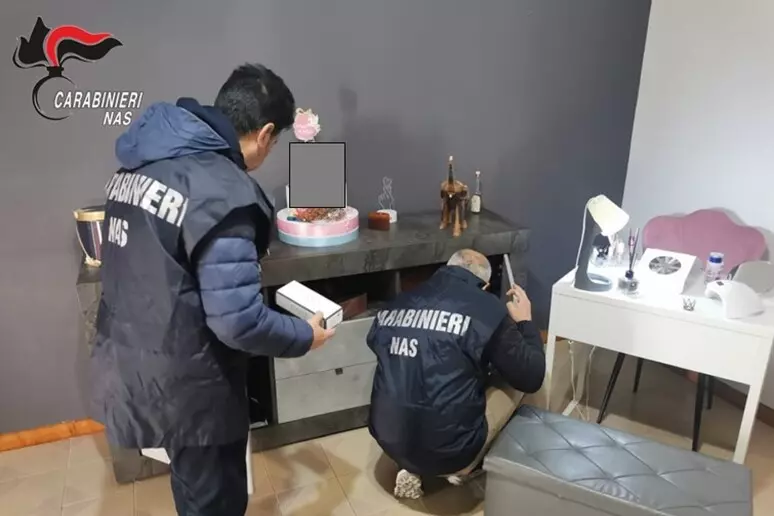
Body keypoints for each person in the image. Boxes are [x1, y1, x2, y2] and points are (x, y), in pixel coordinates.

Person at [91, 63, 335, 516]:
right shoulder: (223, 191)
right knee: (216, 499)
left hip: (137, 359)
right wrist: (305, 335)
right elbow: (237, 321)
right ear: (265, 134)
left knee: (192, 484)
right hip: (192, 384)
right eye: (275, 142)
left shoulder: (143, 163)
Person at [367, 249, 546, 499]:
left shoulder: (397, 302)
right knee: (514, 376)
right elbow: (532, 376)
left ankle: (410, 465)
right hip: (452, 452)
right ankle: (465, 466)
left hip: (388, 440)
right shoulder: (488, 309)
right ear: (485, 285)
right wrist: (525, 321)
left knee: (412, 369)